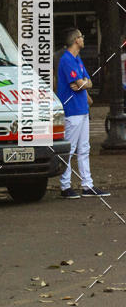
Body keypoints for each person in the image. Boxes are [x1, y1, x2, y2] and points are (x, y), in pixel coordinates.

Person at [56, 27, 110, 198]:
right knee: (70, 149)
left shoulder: (77, 59)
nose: (83, 39)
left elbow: (87, 83)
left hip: (82, 108)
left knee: (84, 148)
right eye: (81, 36)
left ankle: (87, 185)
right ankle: (65, 186)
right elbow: (80, 83)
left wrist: (83, 83)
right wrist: (83, 83)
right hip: (72, 110)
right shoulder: (67, 60)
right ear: (75, 40)